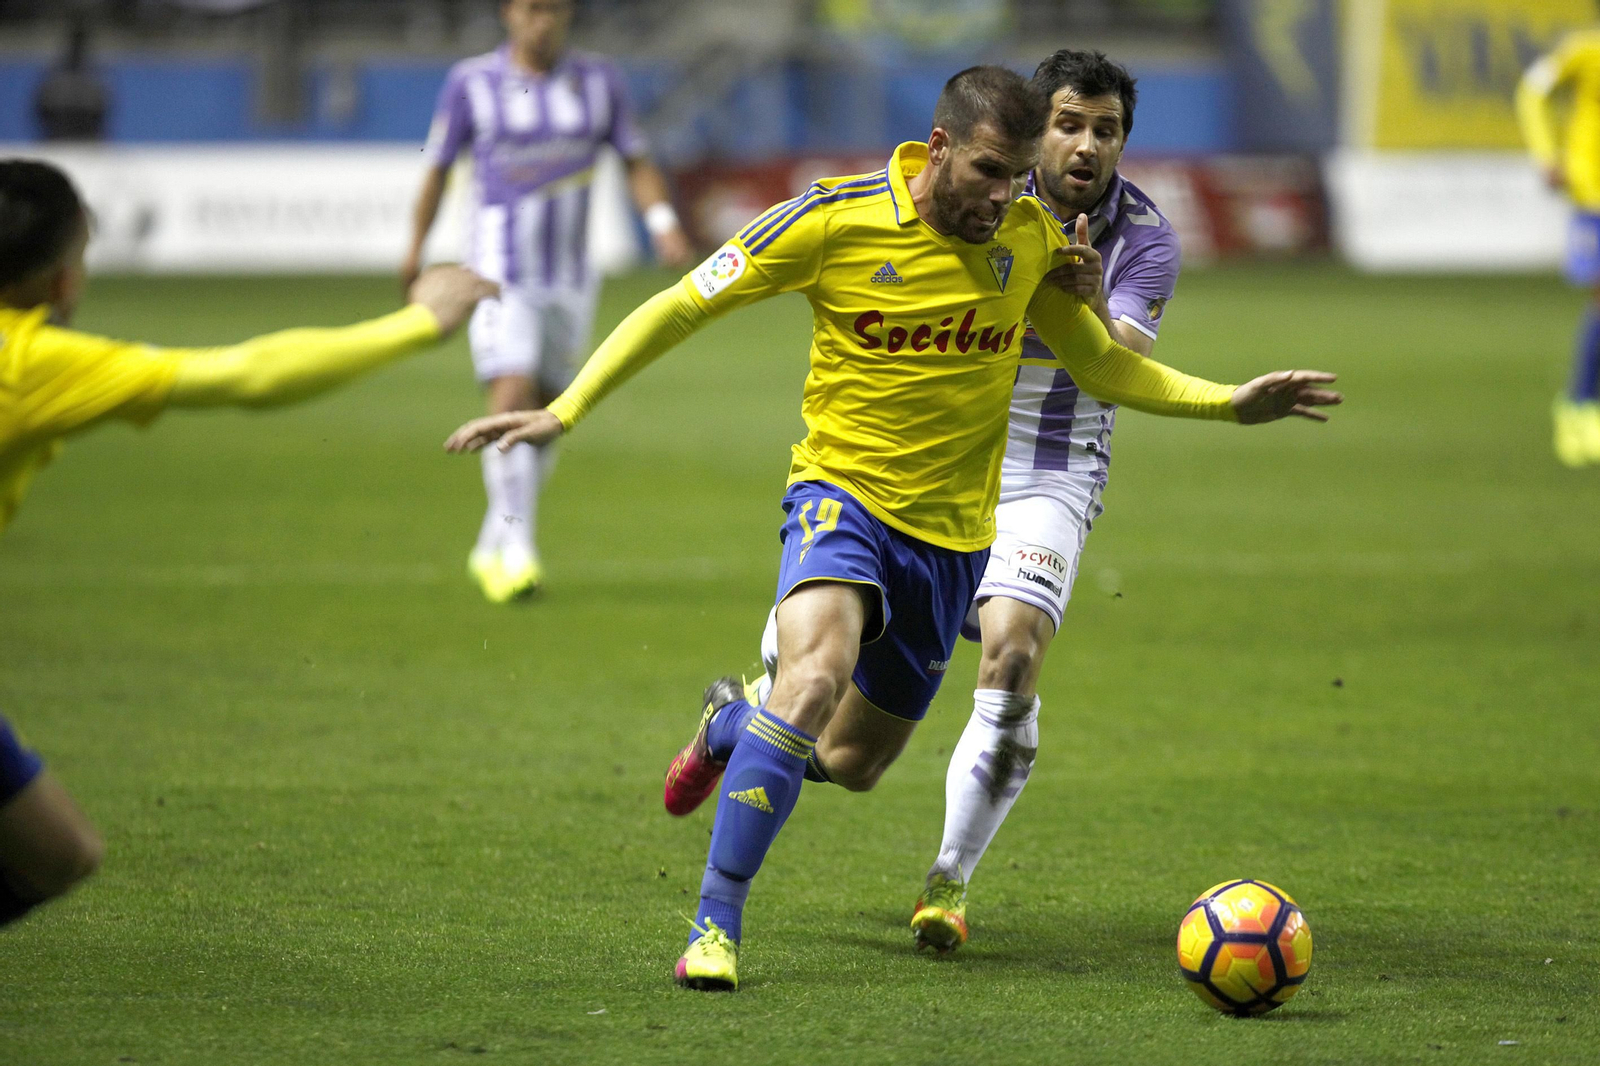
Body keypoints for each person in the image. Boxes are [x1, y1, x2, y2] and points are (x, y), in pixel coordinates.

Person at [446, 66, 1340, 991]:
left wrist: (1231, 403)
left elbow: (1107, 371)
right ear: (940, 147)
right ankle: (715, 927)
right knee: (814, 677)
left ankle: (728, 726)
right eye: (991, 172)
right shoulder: (831, 220)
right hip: (841, 498)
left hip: (952, 540)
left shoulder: (1028, 244)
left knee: (850, 760)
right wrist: (568, 409)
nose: (1005, 195)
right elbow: (684, 302)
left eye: (1015, 176)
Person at [0, 158, 495, 928]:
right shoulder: (27, 363)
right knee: (56, 853)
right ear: (61, 278)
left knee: (59, 852)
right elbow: (247, 374)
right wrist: (421, 322)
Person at [903, 48, 1191, 953]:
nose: (1086, 145)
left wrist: (1092, 294)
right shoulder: (981, 201)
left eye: (1106, 130)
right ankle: (746, 713)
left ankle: (947, 883)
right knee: (838, 736)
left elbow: (1122, 367)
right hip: (938, 455)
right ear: (1037, 131)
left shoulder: (1143, 237)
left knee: (1013, 655)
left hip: (1050, 469)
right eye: (1069, 123)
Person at [404, 0, 693, 603]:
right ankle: (517, 549)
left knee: (548, 413)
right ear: (508, 14)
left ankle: (493, 541)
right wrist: (415, 247)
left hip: (569, 281)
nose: (547, 20)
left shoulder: (599, 81)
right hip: (497, 275)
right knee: (510, 392)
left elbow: (635, 160)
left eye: (557, 9)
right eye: (535, 8)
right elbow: (437, 168)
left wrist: (662, 222)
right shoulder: (471, 83)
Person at [1518, 30, 1600, 467]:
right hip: (1594, 196)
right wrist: (1548, 155)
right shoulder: (1584, 53)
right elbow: (1532, 92)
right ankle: (1579, 406)